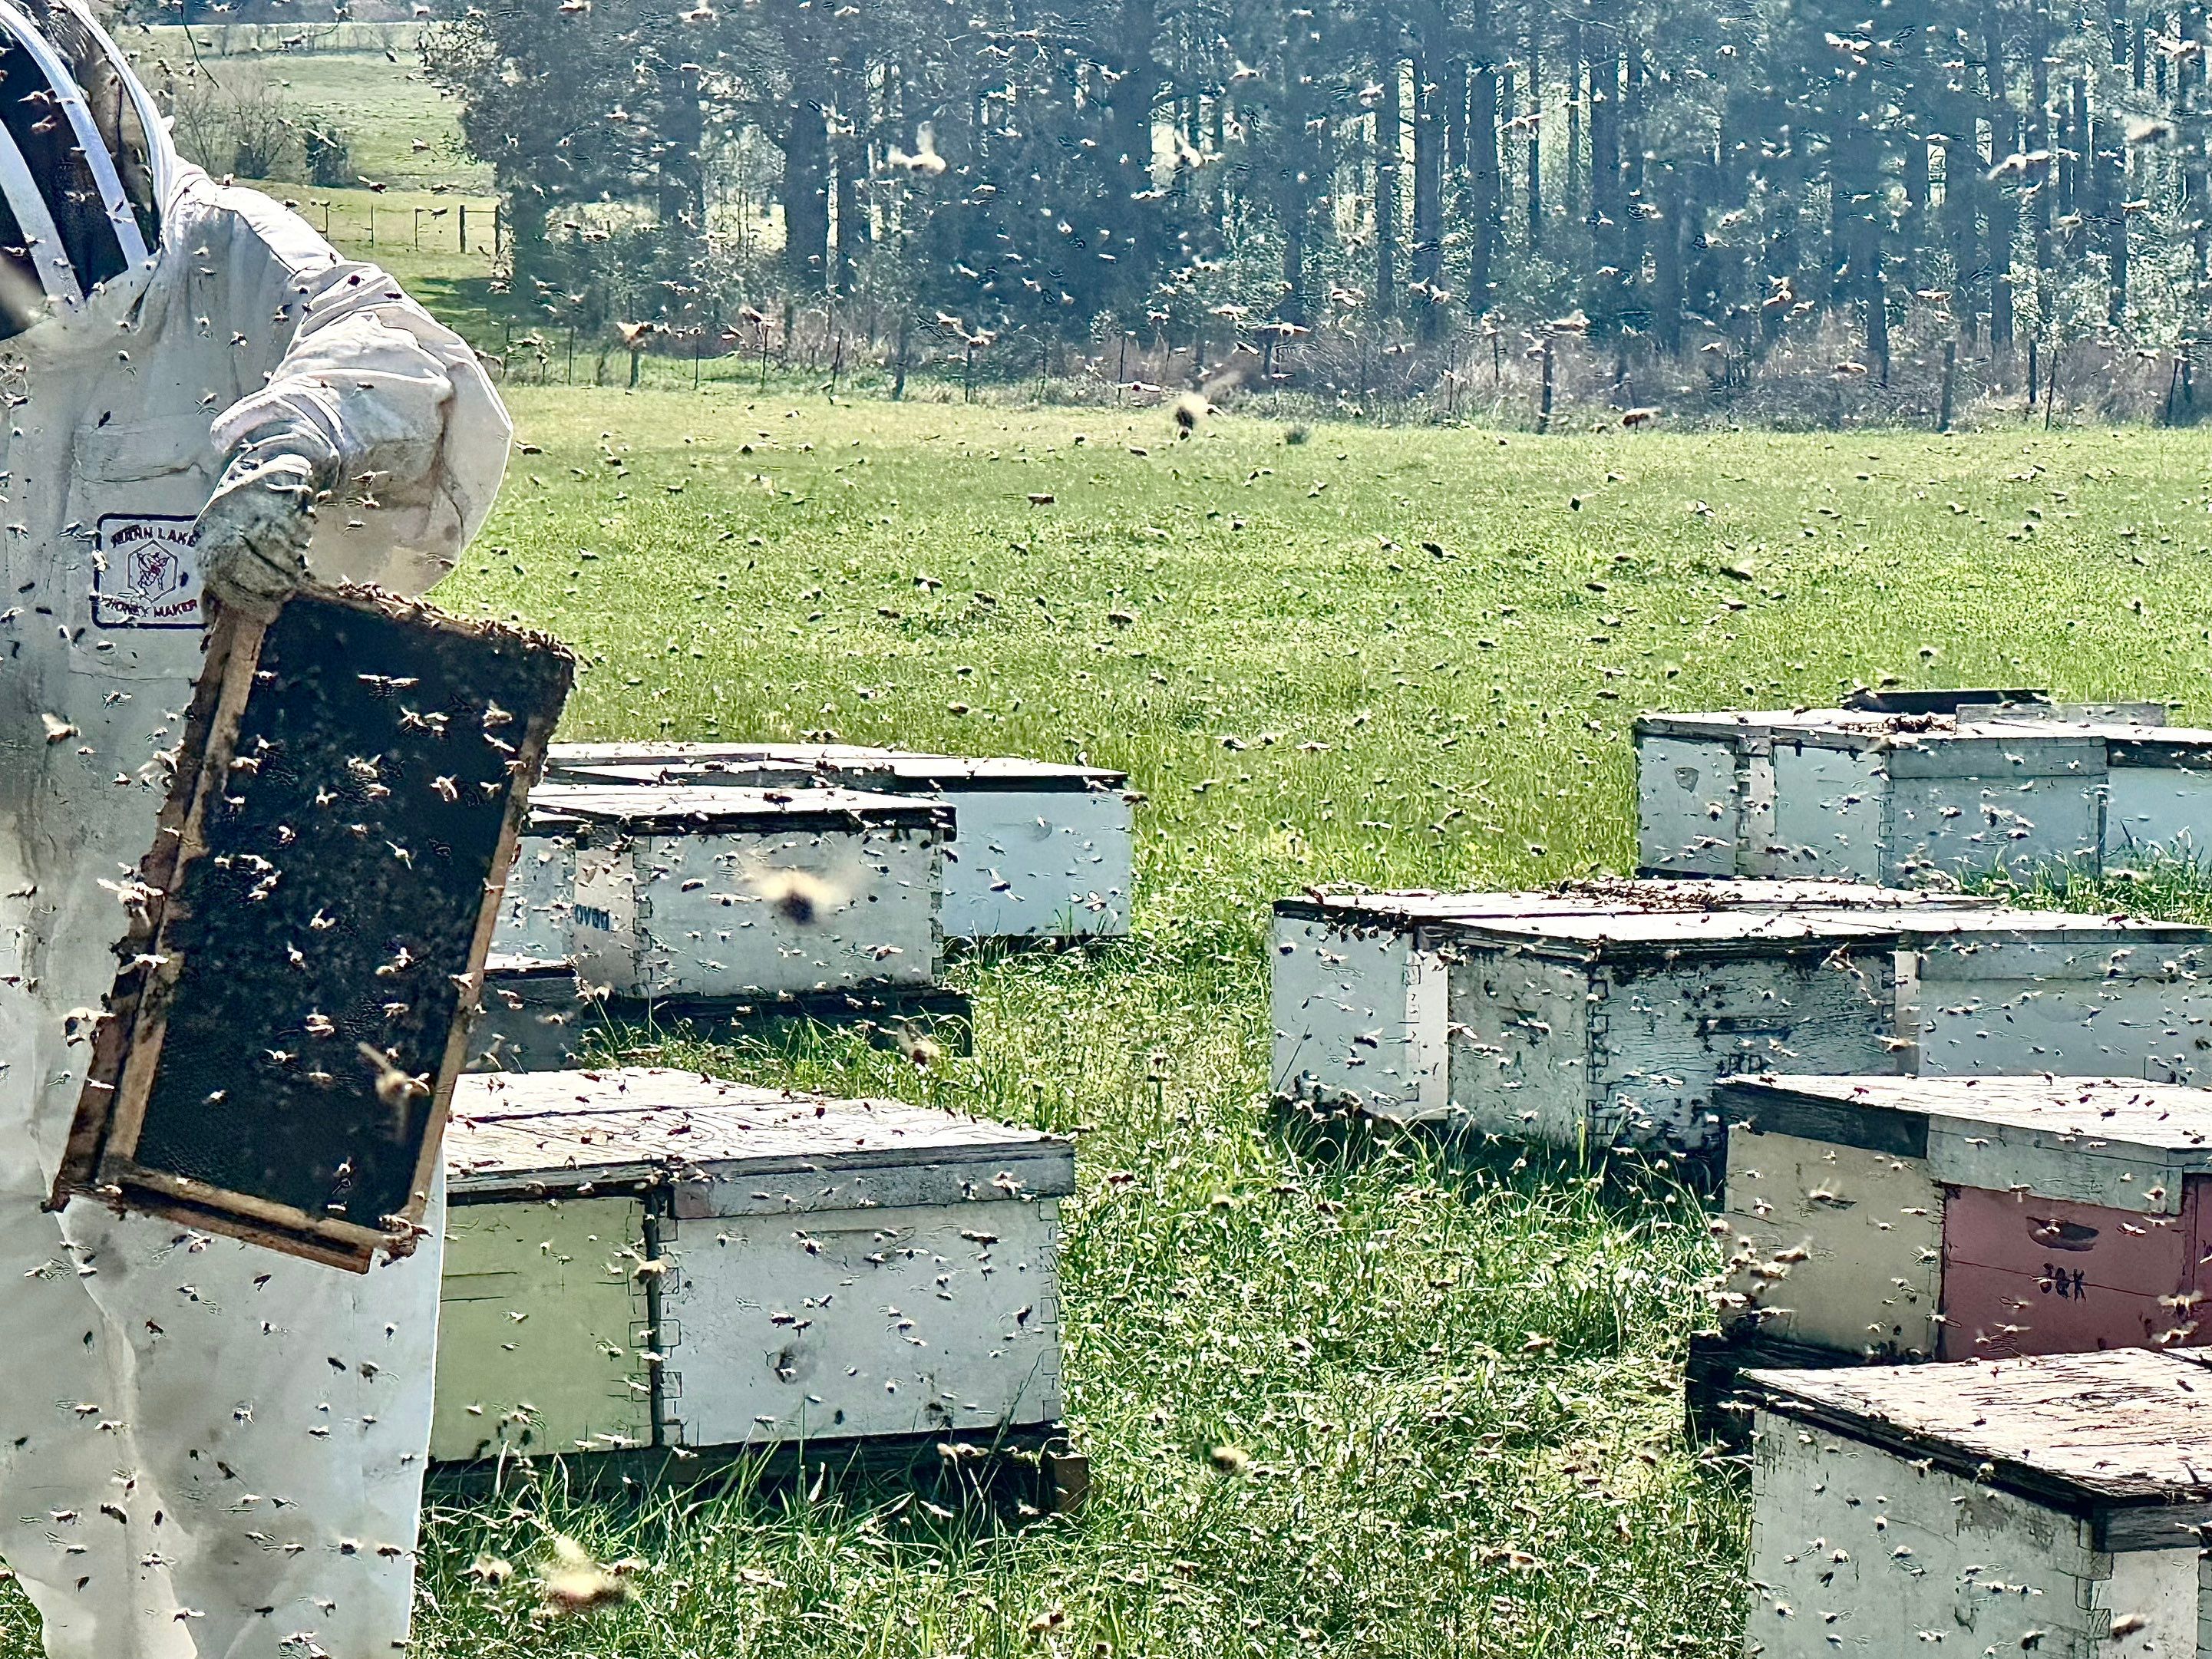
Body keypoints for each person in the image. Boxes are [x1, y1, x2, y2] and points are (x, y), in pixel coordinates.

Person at [0, 2, 510, 1654]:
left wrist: (302, 437)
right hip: (25, 938)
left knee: (281, 1453)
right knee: (38, 1441)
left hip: (263, 942)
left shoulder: (242, 265)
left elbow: (406, 365)